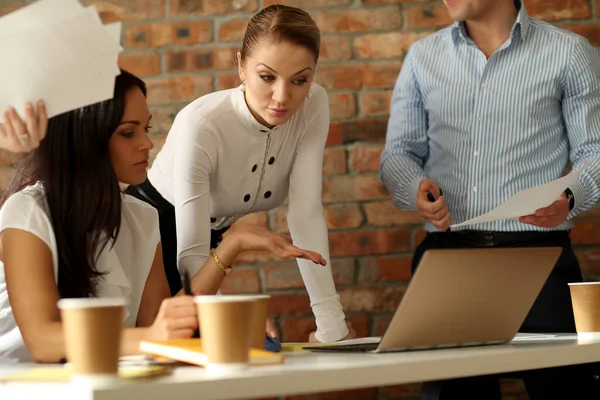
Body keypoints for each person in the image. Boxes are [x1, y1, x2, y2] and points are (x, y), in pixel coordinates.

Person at [0, 70, 326, 363]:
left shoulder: (142, 217)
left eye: (147, 128)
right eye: (129, 133)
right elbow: (43, 341)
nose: (147, 143)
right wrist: (152, 337)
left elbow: (159, 326)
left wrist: (233, 245)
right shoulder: (28, 211)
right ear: (87, 140)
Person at [380, 0, 600, 399]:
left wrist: (571, 196)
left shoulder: (568, 53)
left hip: (539, 261)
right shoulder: (422, 57)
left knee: (567, 390)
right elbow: (399, 154)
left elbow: (596, 150)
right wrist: (415, 187)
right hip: (447, 264)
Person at [125, 4, 353, 343]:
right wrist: (223, 319)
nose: (282, 96)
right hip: (149, 236)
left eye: (300, 80)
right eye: (267, 77)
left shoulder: (313, 105)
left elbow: (305, 214)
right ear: (241, 66)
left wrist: (332, 322)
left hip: (214, 245)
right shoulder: (201, 124)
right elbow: (191, 253)